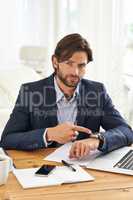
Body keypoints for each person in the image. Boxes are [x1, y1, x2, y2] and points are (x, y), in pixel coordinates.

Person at [0, 33, 133, 159]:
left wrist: (97, 140)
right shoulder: (30, 92)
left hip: (84, 166)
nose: (75, 72)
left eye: (81, 66)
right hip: (40, 167)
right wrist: (48, 134)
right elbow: (7, 139)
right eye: (69, 64)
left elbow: (126, 131)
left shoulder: (97, 91)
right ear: (55, 62)